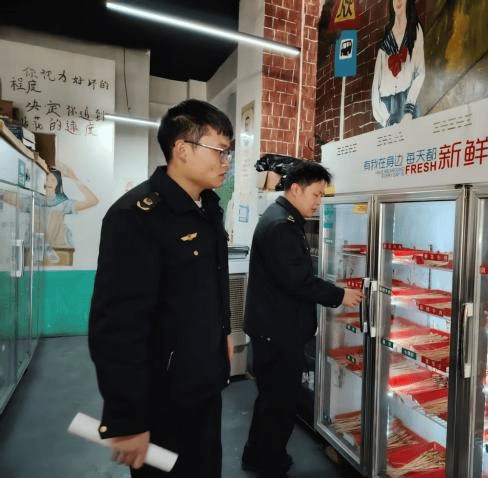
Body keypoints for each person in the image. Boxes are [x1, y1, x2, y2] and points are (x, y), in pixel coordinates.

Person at [88, 99, 234, 478]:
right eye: (220, 151)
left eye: (228, 152)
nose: (226, 161)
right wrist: (126, 421)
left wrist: (224, 332)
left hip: (205, 385)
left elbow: (213, 284)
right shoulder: (136, 217)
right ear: (182, 149)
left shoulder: (208, 209)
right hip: (162, 398)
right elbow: (117, 326)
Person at [241, 161, 363, 478]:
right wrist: (340, 295)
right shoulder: (281, 225)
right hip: (278, 332)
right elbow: (297, 281)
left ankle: (260, 456)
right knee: (279, 402)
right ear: (295, 189)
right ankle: (268, 462)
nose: (318, 202)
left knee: (272, 400)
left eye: (323, 196)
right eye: (316, 194)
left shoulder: (281, 218)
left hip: (273, 328)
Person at [371, 0, 426, 127]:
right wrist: (384, 117)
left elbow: (420, 73)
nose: (398, 1)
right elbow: (376, 82)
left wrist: (408, 111)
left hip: (406, 103)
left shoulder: (414, 31)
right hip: (385, 107)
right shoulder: (385, 38)